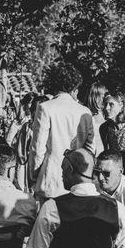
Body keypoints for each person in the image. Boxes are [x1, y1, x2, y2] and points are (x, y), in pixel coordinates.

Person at [29, 63, 94, 203]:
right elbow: (90, 150)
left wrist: (35, 175)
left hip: (51, 180)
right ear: (74, 87)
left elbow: (38, 148)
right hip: (79, 181)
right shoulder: (85, 112)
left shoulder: (45, 108)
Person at [14, 94, 49, 193]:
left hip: (41, 165)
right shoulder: (27, 127)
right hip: (30, 166)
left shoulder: (30, 127)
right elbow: (21, 152)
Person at [86, 83, 108, 156]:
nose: (106, 98)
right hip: (97, 155)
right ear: (96, 97)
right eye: (104, 96)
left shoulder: (107, 115)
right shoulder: (90, 118)